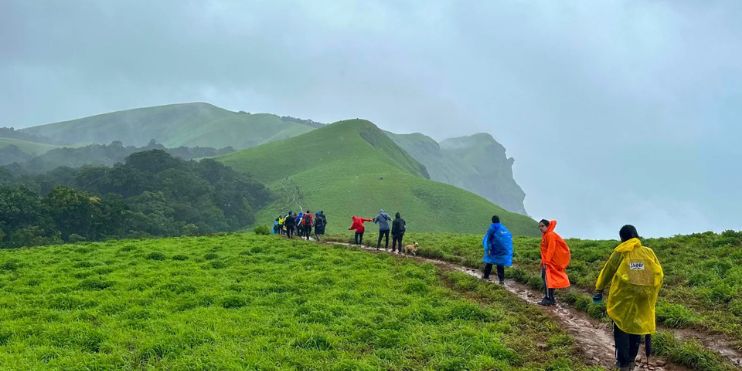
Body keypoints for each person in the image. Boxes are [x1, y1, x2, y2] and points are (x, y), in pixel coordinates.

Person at [593, 225, 663, 371]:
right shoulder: (648, 252)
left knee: (621, 328)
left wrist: (599, 288)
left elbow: (608, 270)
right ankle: (631, 360)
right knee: (635, 327)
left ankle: (623, 363)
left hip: (622, 299)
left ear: (622, 238)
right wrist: (651, 293)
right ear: (636, 235)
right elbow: (659, 274)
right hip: (643, 298)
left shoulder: (621, 251)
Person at [538, 219, 571, 306]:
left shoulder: (550, 235)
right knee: (548, 279)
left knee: (547, 279)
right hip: (549, 261)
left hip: (550, 262)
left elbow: (551, 249)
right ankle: (550, 298)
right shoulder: (546, 235)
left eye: (542, 226)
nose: (540, 228)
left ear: (547, 226)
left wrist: (547, 262)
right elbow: (546, 250)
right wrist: (543, 261)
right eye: (539, 226)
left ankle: (548, 298)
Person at [482, 215, 513, 284]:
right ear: (499, 220)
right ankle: (501, 280)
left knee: (489, 262)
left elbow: (488, 238)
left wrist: (488, 248)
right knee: (500, 264)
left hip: (494, 249)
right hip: (502, 250)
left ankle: (486, 276)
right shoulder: (503, 227)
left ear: (492, 221)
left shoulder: (492, 227)